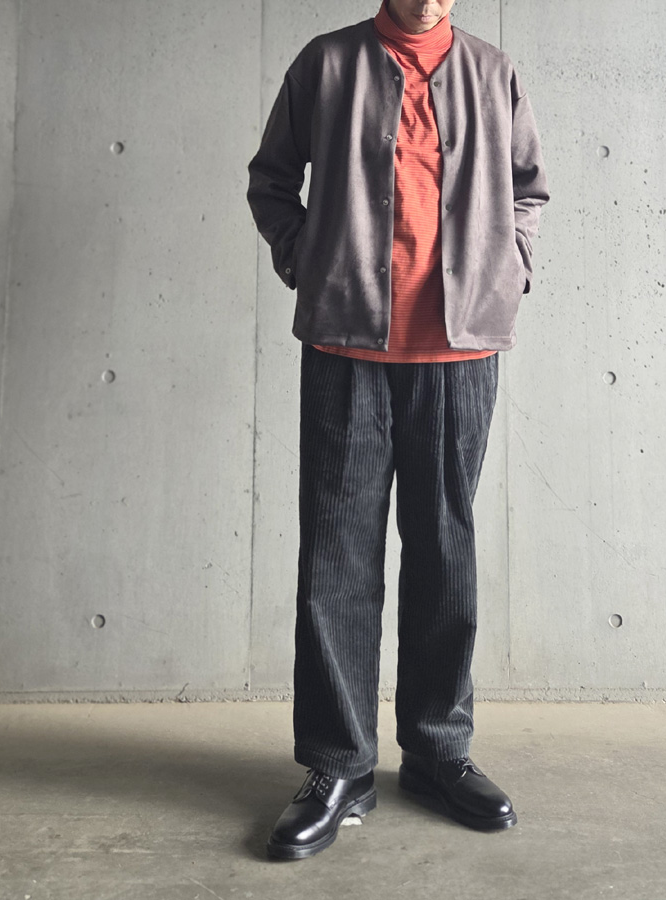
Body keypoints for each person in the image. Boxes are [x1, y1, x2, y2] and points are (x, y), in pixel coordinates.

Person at [247, 0, 548, 860]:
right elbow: (272, 180)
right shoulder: (327, 64)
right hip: (347, 342)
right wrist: (309, 260)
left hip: (459, 349)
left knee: (444, 549)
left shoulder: (493, 72)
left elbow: (528, 188)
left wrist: (512, 267)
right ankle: (339, 765)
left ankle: (438, 752)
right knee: (336, 556)